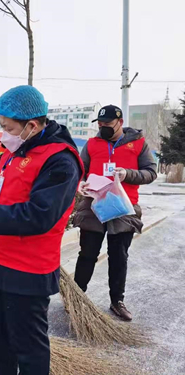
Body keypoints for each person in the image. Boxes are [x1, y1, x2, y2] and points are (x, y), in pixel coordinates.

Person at [0, 86, 83, 375]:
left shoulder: (60, 161)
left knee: (28, 346)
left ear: (32, 125)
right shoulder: (18, 149)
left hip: (28, 270)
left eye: (8, 128)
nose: (3, 134)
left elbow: (39, 216)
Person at [74, 105, 157, 321]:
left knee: (119, 257)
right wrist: (80, 183)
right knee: (87, 254)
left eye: (107, 124)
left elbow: (151, 172)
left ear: (119, 122)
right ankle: (76, 297)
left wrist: (127, 174)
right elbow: (80, 169)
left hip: (123, 208)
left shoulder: (138, 143)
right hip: (94, 205)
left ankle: (117, 301)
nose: (103, 128)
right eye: (100, 124)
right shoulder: (92, 144)